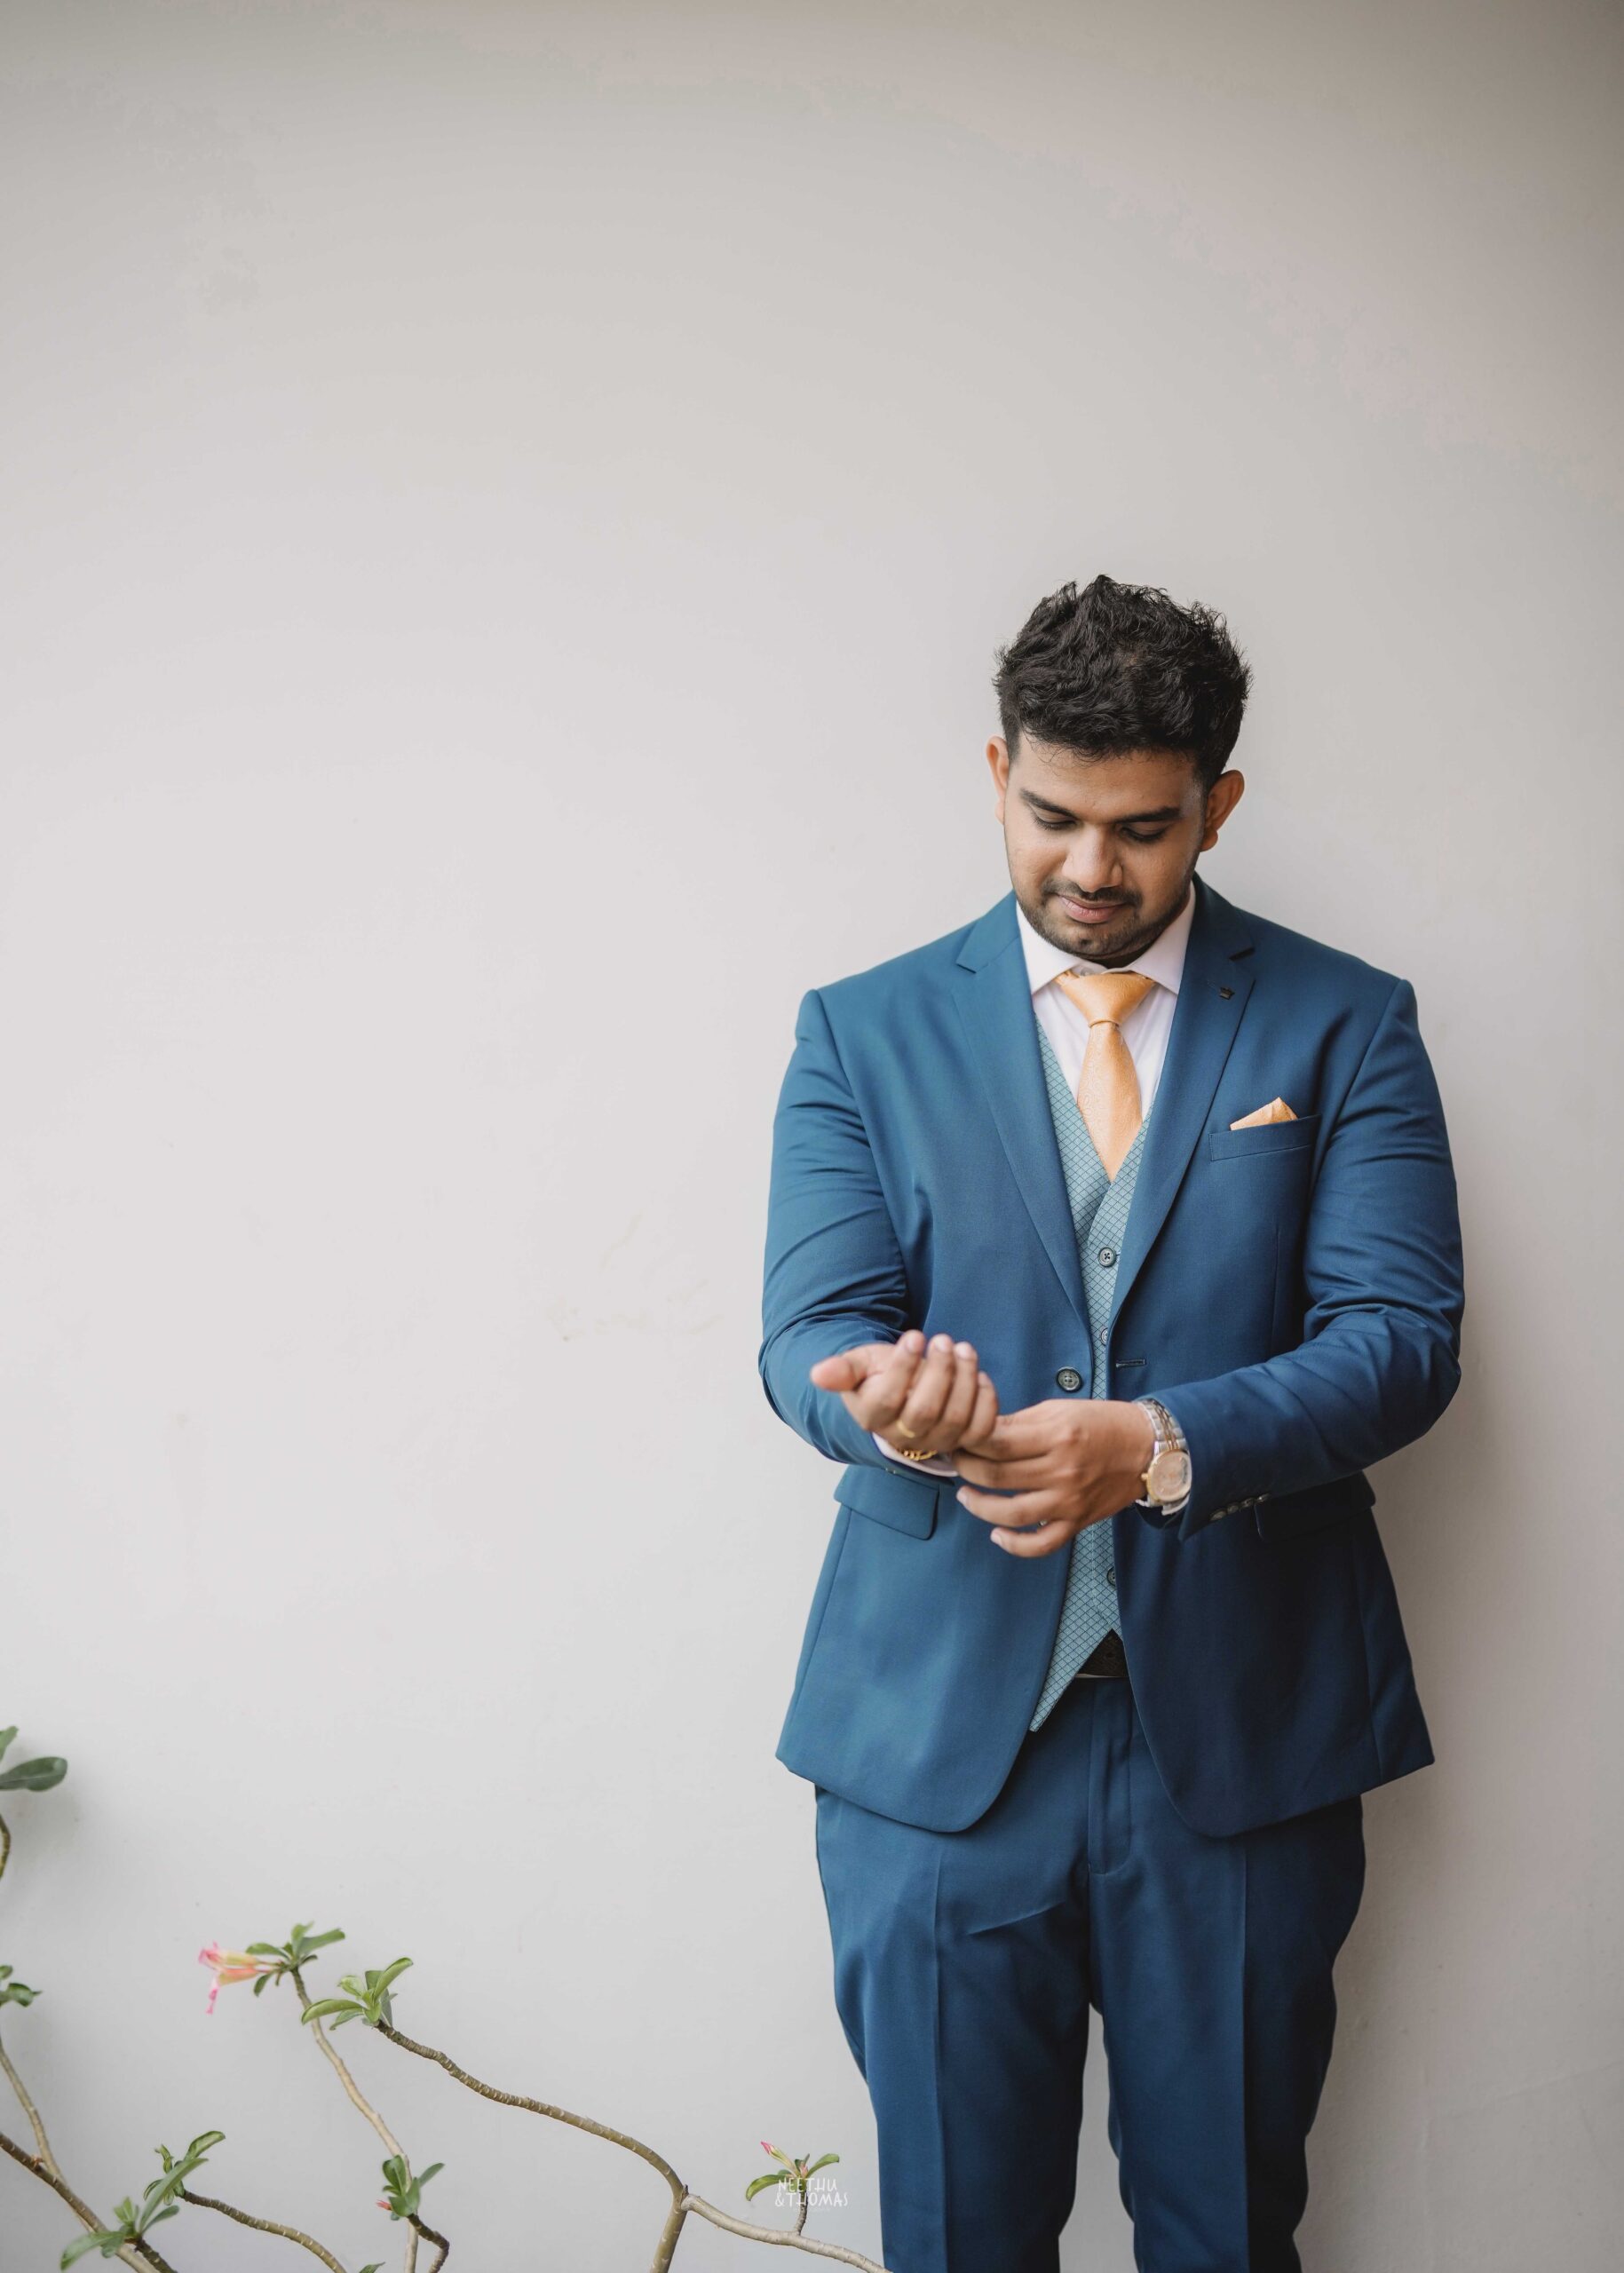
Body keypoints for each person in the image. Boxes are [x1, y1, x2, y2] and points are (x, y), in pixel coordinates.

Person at [756, 573, 1464, 2273]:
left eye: (1141, 829)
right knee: (956, 2239)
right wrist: (887, 1413)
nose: (1090, 868)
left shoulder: (1344, 1019)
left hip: (1243, 1732)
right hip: (935, 1745)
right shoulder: (860, 1028)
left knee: (1225, 2236)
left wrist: (1147, 1444)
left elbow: (1400, 1342)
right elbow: (808, 1332)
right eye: (1051, 817)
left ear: (1216, 803)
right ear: (996, 771)